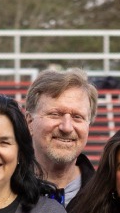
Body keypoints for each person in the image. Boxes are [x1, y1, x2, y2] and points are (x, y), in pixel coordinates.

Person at [23, 69, 98, 203]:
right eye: (55, 114)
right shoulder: (1, 192)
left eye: (77, 117)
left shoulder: (108, 198)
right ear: (29, 122)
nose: (66, 127)